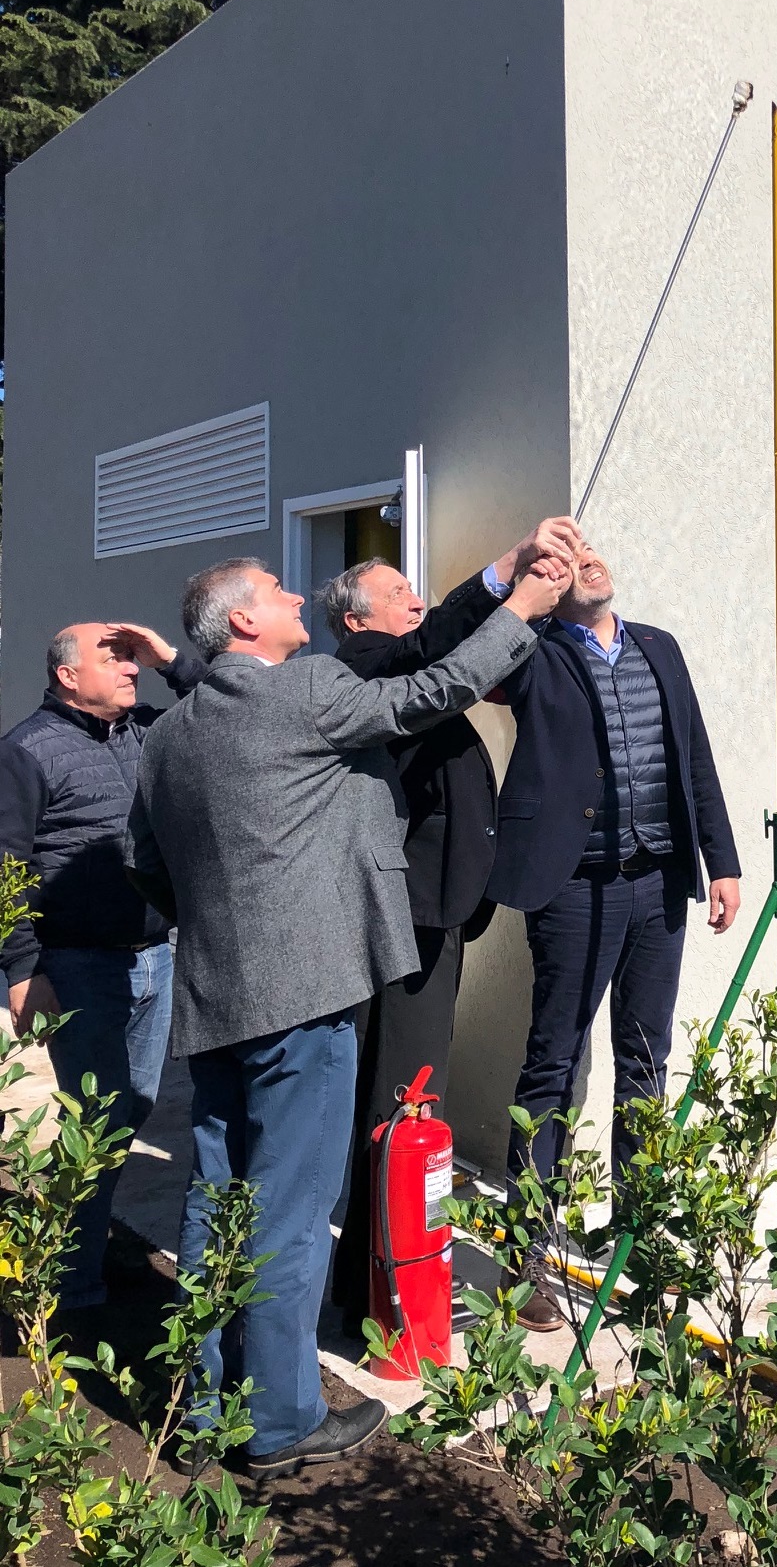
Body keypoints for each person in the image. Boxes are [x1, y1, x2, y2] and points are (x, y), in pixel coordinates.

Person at [125, 553, 566, 1479]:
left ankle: (199, 1408)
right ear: (243, 624)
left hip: (216, 999)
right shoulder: (306, 691)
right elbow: (434, 690)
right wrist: (521, 606)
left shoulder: (167, 737)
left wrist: (230, 927)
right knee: (290, 1211)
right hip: (304, 1000)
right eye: (277, 591)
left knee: (217, 1200)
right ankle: (279, 1423)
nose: (297, 596)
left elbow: (147, 865)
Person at [321, 516, 583, 1337]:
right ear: (358, 619)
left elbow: (439, 646)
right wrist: (511, 583)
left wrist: (512, 574)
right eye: (400, 594)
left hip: (436, 916)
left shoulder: (392, 664)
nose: (417, 603)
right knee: (401, 1099)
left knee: (404, 1095)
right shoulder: (363, 667)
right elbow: (434, 646)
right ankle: (382, 1290)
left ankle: (375, 1277)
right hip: (409, 919)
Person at [487, 542, 742, 1330]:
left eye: (590, 553)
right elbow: (473, 656)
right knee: (554, 1065)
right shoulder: (531, 654)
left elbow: (693, 755)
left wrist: (723, 861)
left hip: (658, 883)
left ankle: (641, 1247)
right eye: (567, 561)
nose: (586, 563)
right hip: (572, 888)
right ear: (548, 584)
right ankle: (527, 1256)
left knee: (646, 1063)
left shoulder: (659, 646)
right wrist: (512, 583)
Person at [0, 620, 204, 1309]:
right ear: (67, 675)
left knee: (129, 1112)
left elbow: (229, 710)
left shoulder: (146, 730)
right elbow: (5, 869)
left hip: (154, 958)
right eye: (113, 657)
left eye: (131, 658)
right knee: (98, 1120)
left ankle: (72, 1250)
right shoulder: (26, 751)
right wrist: (23, 968)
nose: (129, 668)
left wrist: (170, 660)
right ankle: (69, 1283)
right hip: (79, 966)